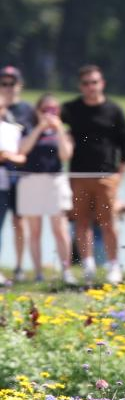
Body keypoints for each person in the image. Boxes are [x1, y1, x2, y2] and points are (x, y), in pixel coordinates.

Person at [61, 64, 125, 285]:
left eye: (95, 82)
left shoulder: (114, 110)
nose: (91, 87)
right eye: (86, 83)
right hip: (78, 176)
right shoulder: (70, 109)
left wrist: (119, 176)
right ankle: (88, 265)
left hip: (106, 176)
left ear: (102, 84)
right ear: (80, 86)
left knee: (108, 223)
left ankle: (113, 266)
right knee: (81, 222)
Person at [15, 95, 75, 284]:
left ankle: (66, 271)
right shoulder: (28, 128)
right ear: (37, 111)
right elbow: (22, 150)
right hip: (31, 181)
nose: (50, 114)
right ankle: (38, 273)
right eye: (45, 110)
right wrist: (40, 128)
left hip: (54, 182)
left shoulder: (63, 131)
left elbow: (65, 155)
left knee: (60, 229)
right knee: (34, 231)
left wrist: (59, 130)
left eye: (54, 110)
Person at [1, 65, 36, 283]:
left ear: (19, 85)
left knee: (19, 221)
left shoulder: (27, 110)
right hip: (2, 176)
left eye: (11, 83)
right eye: (3, 83)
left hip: (21, 175)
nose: (7, 87)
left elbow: (32, 141)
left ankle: (20, 266)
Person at [0, 93, 25, 286]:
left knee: (18, 224)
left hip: (11, 183)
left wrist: (8, 156)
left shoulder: (12, 130)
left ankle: (18, 268)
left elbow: (22, 156)